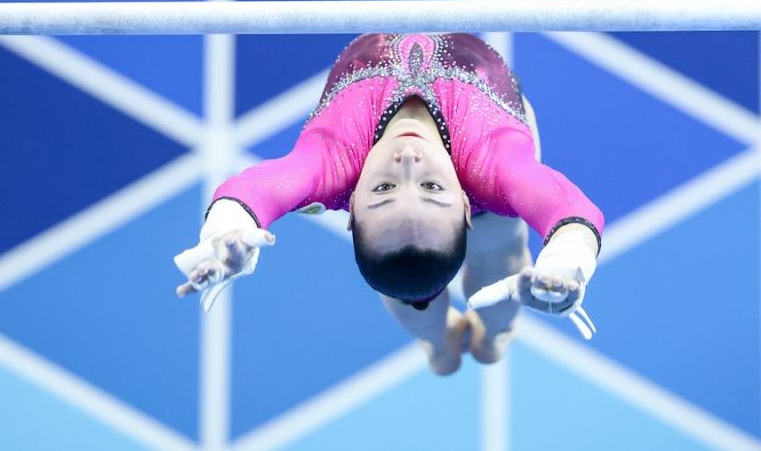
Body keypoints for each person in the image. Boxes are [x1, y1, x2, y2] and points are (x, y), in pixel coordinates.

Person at [174, 33, 604, 376]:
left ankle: (469, 337)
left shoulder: (332, 163)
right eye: (432, 186)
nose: (408, 160)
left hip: (469, 164)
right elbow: (571, 211)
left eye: (383, 189)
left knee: (437, 278)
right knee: (501, 263)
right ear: (464, 205)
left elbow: (252, 191)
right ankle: (458, 337)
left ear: (352, 206)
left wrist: (224, 233)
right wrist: (566, 262)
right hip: (492, 150)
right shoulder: (495, 167)